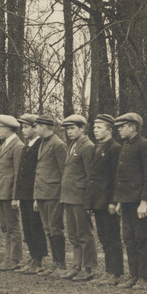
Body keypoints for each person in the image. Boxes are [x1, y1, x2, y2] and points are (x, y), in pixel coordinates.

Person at [112, 112, 147, 289]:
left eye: (122, 127)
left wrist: (144, 201)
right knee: (129, 238)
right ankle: (134, 275)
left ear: (133, 127)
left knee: (141, 238)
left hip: (139, 202)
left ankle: (144, 277)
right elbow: (122, 177)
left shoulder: (144, 145)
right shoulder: (126, 146)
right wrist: (120, 201)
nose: (120, 130)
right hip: (127, 201)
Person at [59, 114, 99, 281]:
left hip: (80, 197)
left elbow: (91, 175)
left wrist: (89, 200)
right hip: (68, 196)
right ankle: (77, 265)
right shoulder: (73, 145)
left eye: (73, 128)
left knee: (84, 234)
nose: (69, 131)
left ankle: (88, 268)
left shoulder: (87, 146)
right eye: (67, 129)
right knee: (73, 233)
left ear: (82, 129)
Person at [87, 114, 124, 285]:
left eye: (99, 127)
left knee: (112, 236)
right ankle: (108, 270)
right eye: (94, 127)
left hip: (107, 201)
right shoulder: (97, 147)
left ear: (109, 130)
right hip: (97, 200)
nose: (95, 130)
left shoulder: (114, 148)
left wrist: (114, 201)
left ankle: (115, 273)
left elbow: (116, 177)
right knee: (103, 236)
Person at [0, 115, 25, 271]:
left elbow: (17, 173)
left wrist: (15, 197)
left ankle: (14, 259)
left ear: (9, 129)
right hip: (1, 192)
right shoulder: (3, 145)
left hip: (9, 194)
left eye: (0, 128)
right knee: (5, 227)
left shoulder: (17, 146)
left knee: (13, 226)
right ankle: (9, 258)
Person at [33, 114, 68, 276]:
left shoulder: (58, 144)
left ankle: (60, 264)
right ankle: (55, 263)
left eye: (37, 125)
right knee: (48, 229)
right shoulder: (43, 143)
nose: (35, 128)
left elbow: (64, 172)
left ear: (45, 127)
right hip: (42, 193)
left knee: (55, 229)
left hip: (53, 194)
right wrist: (36, 195)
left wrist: (62, 195)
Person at [15, 115, 48, 275]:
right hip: (24, 194)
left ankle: (39, 259)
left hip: (34, 193)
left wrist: (36, 195)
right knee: (27, 227)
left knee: (36, 227)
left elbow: (38, 172)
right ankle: (32, 256)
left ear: (35, 128)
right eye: (22, 127)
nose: (23, 130)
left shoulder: (40, 145)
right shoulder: (27, 146)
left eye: (26, 127)